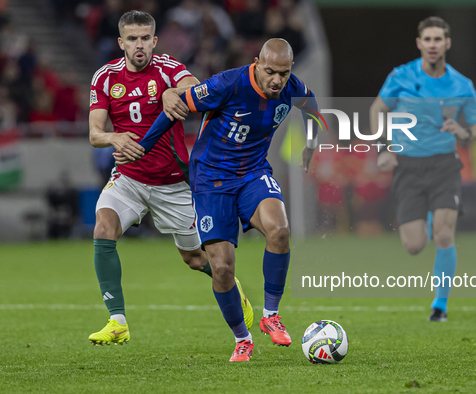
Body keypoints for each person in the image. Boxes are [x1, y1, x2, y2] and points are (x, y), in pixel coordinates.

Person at [116, 38, 318, 362]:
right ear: (256, 63)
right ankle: (243, 338)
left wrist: (311, 142)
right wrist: (143, 145)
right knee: (222, 267)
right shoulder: (229, 83)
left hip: (253, 173)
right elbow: (175, 108)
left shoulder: (292, 87)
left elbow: (312, 106)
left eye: (283, 73)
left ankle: (271, 315)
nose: (277, 80)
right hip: (211, 180)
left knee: (280, 231)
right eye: (270, 72)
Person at [87, 10, 253, 346]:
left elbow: (195, 86)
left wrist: (171, 92)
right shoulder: (104, 77)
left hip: (173, 182)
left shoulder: (166, 67)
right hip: (129, 178)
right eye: (132, 39)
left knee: (194, 259)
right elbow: (94, 133)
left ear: (154, 40)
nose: (139, 45)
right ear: (121, 42)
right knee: (103, 229)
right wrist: (114, 138)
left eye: (145, 38)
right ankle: (117, 320)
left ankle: (234, 288)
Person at [370, 16, 476, 322]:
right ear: (419, 44)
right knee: (413, 245)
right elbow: (377, 109)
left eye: (439, 39)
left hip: (444, 166)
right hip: (408, 167)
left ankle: (440, 306)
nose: (433, 45)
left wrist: (463, 132)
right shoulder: (401, 75)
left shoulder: (461, 85)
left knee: (444, 235)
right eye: (428, 39)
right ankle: (426, 215)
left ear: (447, 44)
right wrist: (382, 149)